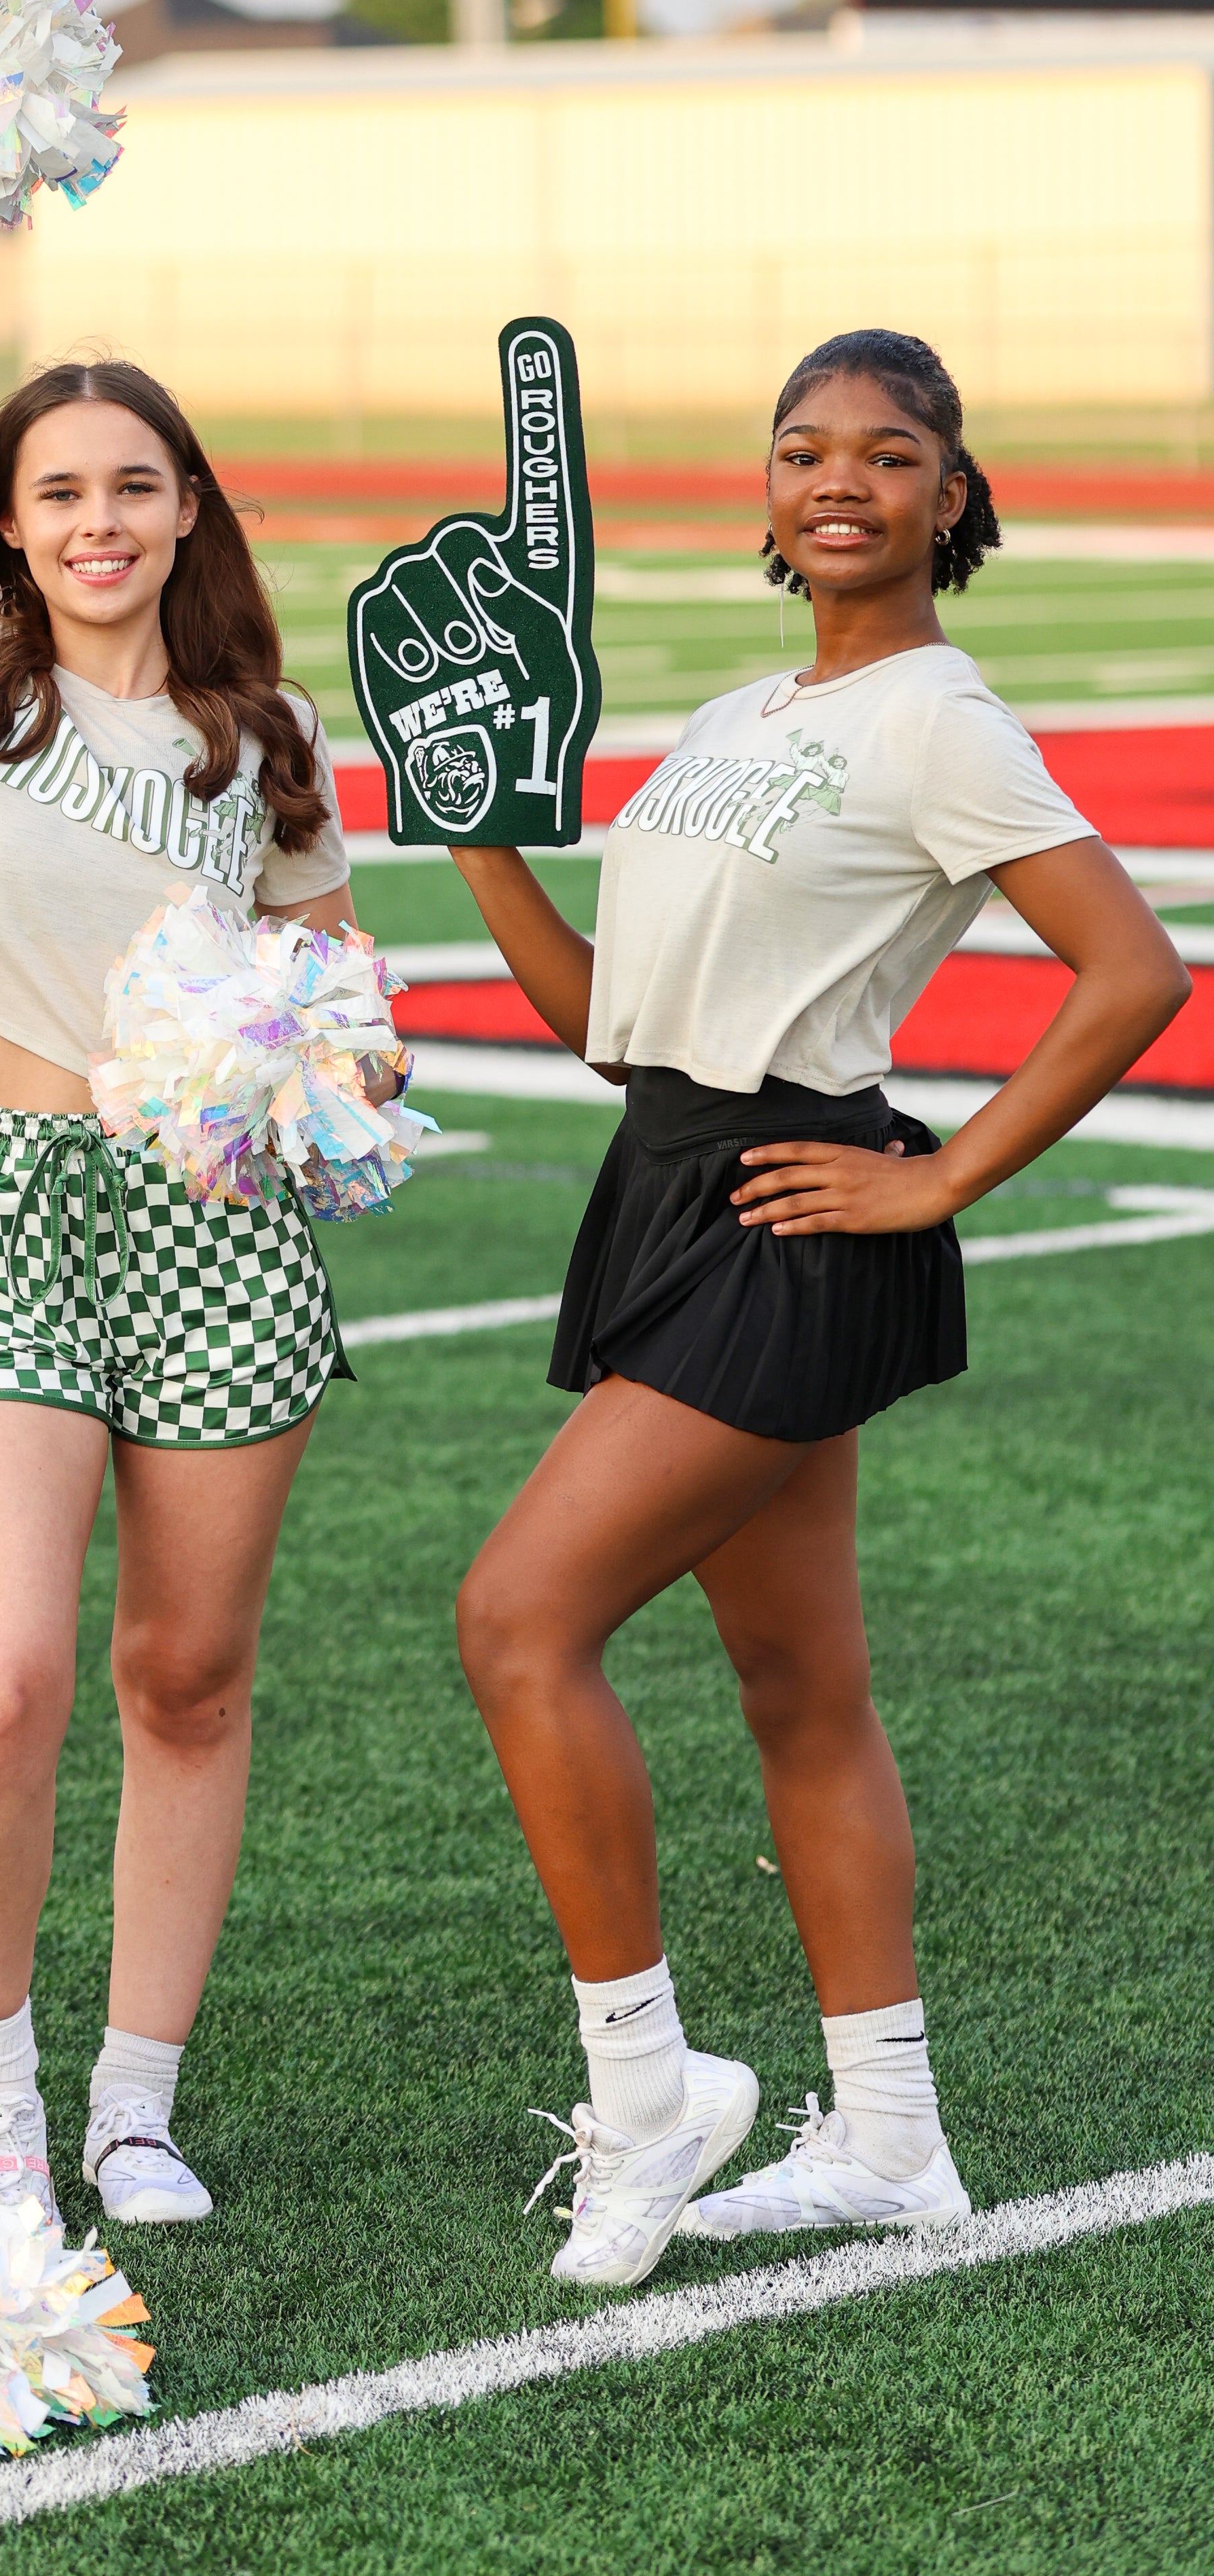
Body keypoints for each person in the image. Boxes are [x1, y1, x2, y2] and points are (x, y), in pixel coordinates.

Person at [449, 329, 1188, 2288]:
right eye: (801, 450)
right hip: (673, 1181)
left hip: (800, 1212)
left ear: (954, 493)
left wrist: (938, 1174)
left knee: (520, 1620)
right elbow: (614, 1025)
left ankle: (646, 2089)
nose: (837, 475)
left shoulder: (939, 720)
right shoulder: (735, 712)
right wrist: (475, 832)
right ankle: (889, 2141)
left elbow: (1131, 968)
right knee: (803, 1691)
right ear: (768, 498)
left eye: (885, 450)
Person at [0, 215, 365, 2237]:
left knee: (185, 1675)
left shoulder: (256, 744)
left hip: (219, 1228)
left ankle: (133, 2105)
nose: (97, 521)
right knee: (1, 1677)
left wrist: (319, 1066)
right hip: (2, 1199)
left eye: (132, 489)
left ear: (186, 518)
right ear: (5, 523)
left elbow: (356, 998)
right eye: (56, 491)